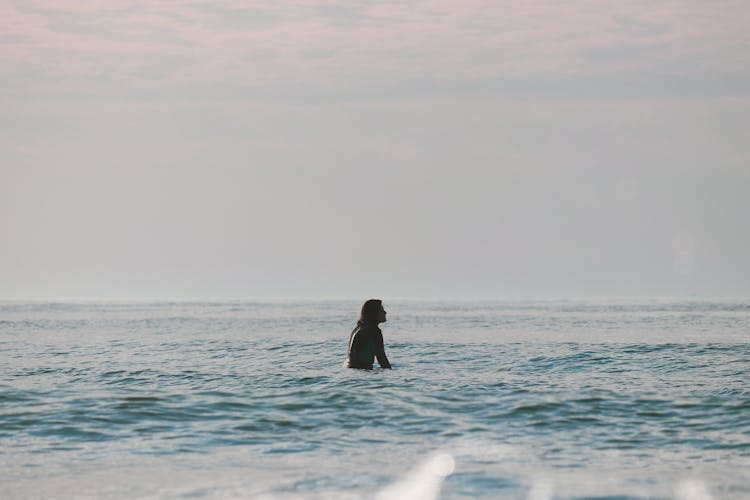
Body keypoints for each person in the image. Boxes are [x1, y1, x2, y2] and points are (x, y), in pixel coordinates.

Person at [346, 299, 392, 369]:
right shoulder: (374, 331)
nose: (385, 312)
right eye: (382, 310)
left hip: (349, 368)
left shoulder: (358, 328)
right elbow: (382, 358)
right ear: (374, 313)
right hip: (363, 370)